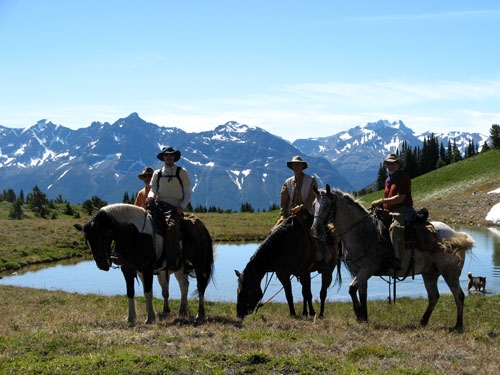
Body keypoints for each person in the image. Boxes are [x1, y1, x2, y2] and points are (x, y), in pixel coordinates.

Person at [146, 146, 192, 270]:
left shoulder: (181, 172)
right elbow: (153, 189)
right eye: (166, 155)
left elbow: (188, 192)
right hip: (159, 205)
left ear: (174, 157)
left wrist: (182, 206)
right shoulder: (157, 173)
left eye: (171, 155)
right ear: (163, 158)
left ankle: (172, 261)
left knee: (172, 228)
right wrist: (150, 196)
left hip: (175, 208)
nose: (169, 157)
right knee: (143, 223)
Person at [371, 153, 414, 270]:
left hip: (403, 210)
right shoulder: (387, 180)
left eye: (393, 163)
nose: (390, 166)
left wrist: (382, 201)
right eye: (388, 164)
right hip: (390, 211)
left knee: (395, 228)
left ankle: (398, 260)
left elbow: (401, 198)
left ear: (398, 165)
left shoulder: (403, 178)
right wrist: (383, 208)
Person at [277, 156, 318, 224]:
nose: (296, 167)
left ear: (302, 166)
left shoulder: (311, 180)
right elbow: (284, 201)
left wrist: (301, 207)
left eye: (298, 165)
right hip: (290, 213)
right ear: (292, 167)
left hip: (308, 212)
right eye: (294, 165)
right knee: (274, 231)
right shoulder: (287, 182)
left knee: (315, 231)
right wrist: (283, 215)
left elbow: (313, 198)